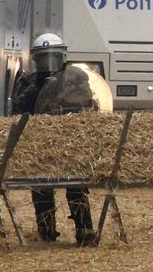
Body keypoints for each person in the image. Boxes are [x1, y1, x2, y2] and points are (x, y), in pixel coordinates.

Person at [8, 33, 97, 245]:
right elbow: (18, 111)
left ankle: (85, 231)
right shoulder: (27, 80)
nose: (49, 63)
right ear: (35, 60)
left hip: (69, 142)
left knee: (77, 185)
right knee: (41, 186)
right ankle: (47, 232)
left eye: (54, 57)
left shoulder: (76, 78)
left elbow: (86, 104)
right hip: (38, 142)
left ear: (63, 57)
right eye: (43, 58)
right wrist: (36, 87)